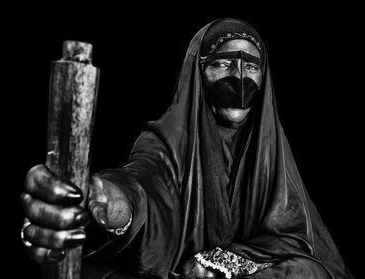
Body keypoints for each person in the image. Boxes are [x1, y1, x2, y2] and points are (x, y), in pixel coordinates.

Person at [20, 18, 353, 278]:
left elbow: (294, 237)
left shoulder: (271, 151)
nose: (239, 78)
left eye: (251, 67)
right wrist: (100, 199)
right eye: (223, 63)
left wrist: (224, 264)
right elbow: (144, 185)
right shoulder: (167, 141)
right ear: (198, 71)